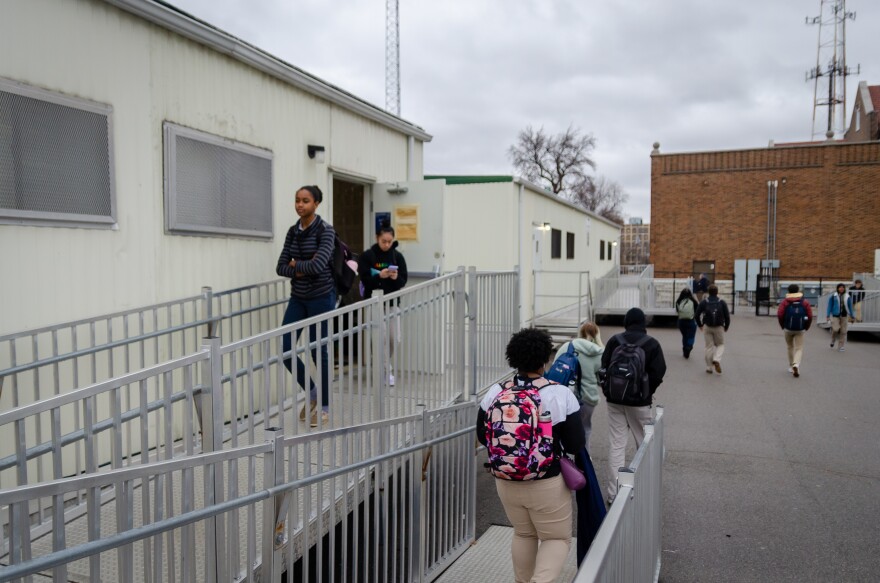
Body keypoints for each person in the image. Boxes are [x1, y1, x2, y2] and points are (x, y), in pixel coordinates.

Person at [476, 328, 584, 583]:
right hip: (547, 481)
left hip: (505, 478)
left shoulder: (496, 392)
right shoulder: (560, 394)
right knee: (555, 538)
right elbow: (576, 442)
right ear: (545, 359)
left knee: (524, 534)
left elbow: (483, 435)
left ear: (513, 358)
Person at [276, 185, 336, 427]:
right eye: (297, 200)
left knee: (316, 350)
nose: (300, 205)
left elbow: (319, 266)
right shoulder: (293, 232)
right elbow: (280, 267)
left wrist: (295, 266)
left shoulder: (326, 231)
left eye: (306, 201)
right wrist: (303, 266)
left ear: (316, 204)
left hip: (322, 297)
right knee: (285, 348)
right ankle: (311, 392)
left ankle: (324, 406)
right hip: (298, 298)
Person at [600, 308, 666, 505]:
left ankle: (614, 494)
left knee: (617, 445)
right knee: (645, 445)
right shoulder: (651, 344)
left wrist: (609, 391)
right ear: (643, 323)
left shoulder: (615, 341)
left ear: (626, 322)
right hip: (639, 403)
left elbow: (604, 367)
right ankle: (645, 488)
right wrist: (646, 392)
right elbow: (658, 372)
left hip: (614, 401)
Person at [358, 221, 408, 386]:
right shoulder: (368, 256)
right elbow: (365, 280)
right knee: (382, 338)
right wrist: (380, 276)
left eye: (389, 241)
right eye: (383, 241)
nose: (387, 244)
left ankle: (383, 364)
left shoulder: (397, 256)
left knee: (394, 339)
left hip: (393, 303)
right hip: (375, 304)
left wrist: (394, 278)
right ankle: (387, 371)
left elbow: (403, 280)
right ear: (377, 238)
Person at [554, 321, 604, 451]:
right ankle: (584, 459)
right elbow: (601, 378)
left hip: (565, 395)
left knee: (562, 427)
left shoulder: (566, 347)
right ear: (596, 334)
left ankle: (563, 458)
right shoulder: (599, 353)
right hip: (587, 398)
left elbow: (555, 367)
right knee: (585, 428)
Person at [777, 284, 813, 378]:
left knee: (790, 347)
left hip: (788, 328)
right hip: (800, 328)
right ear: (798, 290)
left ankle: (790, 366)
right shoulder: (804, 302)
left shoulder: (785, 302)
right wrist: (806, 327)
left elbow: (780, 314)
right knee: (799, 348)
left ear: (788, 291)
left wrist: (783, 325)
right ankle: (796, 364)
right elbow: (810, 315)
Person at [695, 284, 730, 374]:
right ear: (717, 292)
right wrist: (726, 326)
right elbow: (727, 316)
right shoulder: (722, 302)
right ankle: (716, 359)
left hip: (707, 326)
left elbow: (697, 315)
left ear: (708, 292)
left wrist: (700, 325)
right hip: (719, 327)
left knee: (708, 347)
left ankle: (709, 367)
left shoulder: (704, 302)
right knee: (720, 344)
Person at [827, 283, 855, 352]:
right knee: (835, 329)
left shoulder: (847, 296)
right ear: (837, 288)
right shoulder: (833, 296)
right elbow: (829, 306)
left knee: (843, 331)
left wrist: (852, 316)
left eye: (843, 287)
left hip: (844, 316)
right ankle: (833, 340)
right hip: (835, 315)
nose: (841, 288)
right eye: (840, 287)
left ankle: (841, 346)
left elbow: (850, 307)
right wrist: (827, 315)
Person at [675, 288, 699, 358]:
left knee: (685, 336)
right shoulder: (693, 301)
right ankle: (689, 346)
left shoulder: (678, 301)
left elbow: (677, 310)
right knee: (691, 336)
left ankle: (685, 348)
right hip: (691, 321)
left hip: (681, 321)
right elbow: (697, 311)